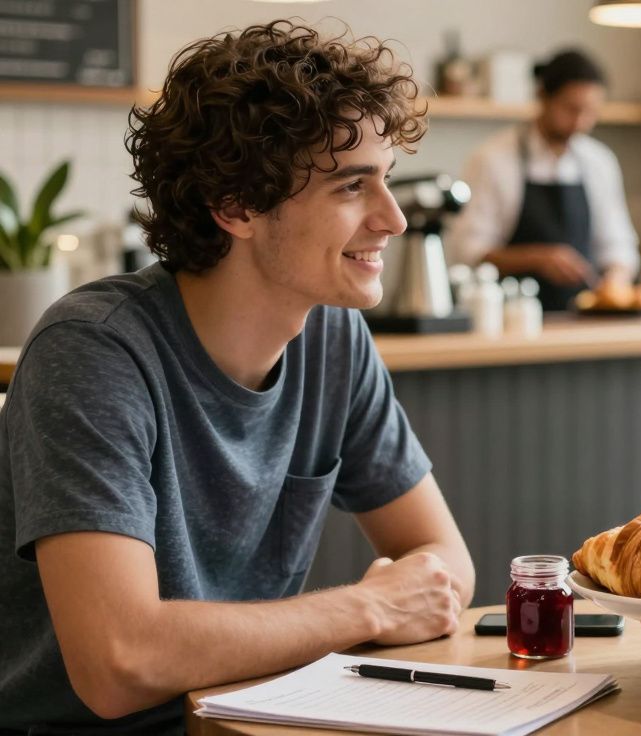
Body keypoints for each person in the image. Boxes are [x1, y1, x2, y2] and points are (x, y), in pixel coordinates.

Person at [0, 22, 476, 733]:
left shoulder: (333, 336)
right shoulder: (94, 352)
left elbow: (444, 565)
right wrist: (371, 607)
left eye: (388, 180)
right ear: (237, 206)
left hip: (248, 718)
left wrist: (403, 595)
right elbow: (117, 663)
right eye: (353, 185)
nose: (395, 218)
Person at [445, 48, 640, 311]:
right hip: (509, 317)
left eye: (590, 111)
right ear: (543, 97)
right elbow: (468, 251)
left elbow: (618, 246)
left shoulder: (599, 162)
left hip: (583, 319)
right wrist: (538, 258)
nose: (580, 122)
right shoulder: (492, 159)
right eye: (571, 109)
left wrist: (616, 281)